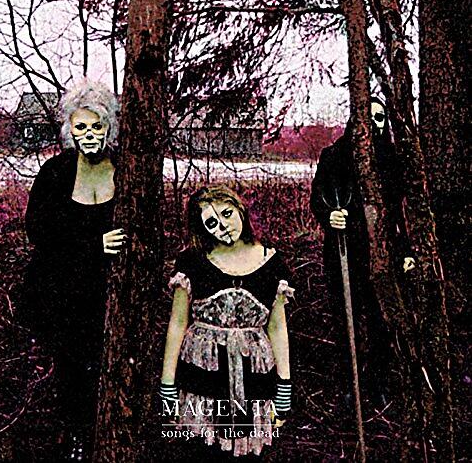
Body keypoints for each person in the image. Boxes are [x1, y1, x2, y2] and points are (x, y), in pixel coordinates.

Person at [20, 79, 125, 460]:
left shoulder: (125, 170)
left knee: (107, 365)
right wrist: (92, 244)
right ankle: (76, 437)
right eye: (81, 126)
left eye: (97, 125)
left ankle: (108, 431)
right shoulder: (56, 172)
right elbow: (38, 230)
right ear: (69, 129)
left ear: (109, 127)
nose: (89, 134)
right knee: (71, 368)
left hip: (108, 290)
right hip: (61, 289)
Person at [160, 185, 295, 458]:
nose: (223, 226)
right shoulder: (192, 262)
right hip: (203, 372)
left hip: (253, 371)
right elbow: (177, 324)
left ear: (240, 210)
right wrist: (167, 386)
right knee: (202, 450)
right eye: (211, 222)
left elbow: (278, 327)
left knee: (247, 451)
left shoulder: (271, 262)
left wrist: (284, 387)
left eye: (227, 213)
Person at [310, 97, 415, 406]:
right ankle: (350, 382)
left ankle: (378, 381)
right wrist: (330, 215)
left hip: (382, 254)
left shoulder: (392, 162)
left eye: (379, 118)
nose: (373, 124)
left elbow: (400, 214)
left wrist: (406, 251)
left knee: (381, 320)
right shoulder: (334, 156)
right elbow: (318, 197)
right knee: (347, 321)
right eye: (367, 117)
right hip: (343, 252)